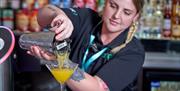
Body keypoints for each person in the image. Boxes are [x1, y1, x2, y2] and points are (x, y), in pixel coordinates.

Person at [27, 0, 145, 90]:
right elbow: (43, 15)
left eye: (127, 12)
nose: (117, 16)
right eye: (113, 6)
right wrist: (59, 15)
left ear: (136, 17)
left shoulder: (133, 51)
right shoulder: (87, 18)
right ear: (105, 3)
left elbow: (97, 88)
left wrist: (57, 62)